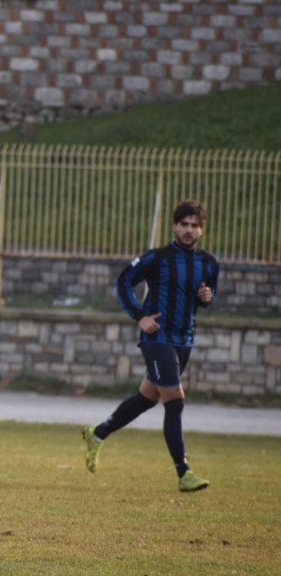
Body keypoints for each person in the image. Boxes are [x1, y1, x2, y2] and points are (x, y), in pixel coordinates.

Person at [83, 200, 219, 492]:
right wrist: (140, 316)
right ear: (174, 226)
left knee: (148, 397)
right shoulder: (157, 258)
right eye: (184, 224)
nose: (188, 230)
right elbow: (123, 282)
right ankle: (184, 473)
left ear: (202, 230)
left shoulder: (209, 263)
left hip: (185, 340)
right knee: (175, 399)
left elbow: (205, 297)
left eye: (194, 225)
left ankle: (98, 433)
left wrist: (207, 297)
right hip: (156, 338)